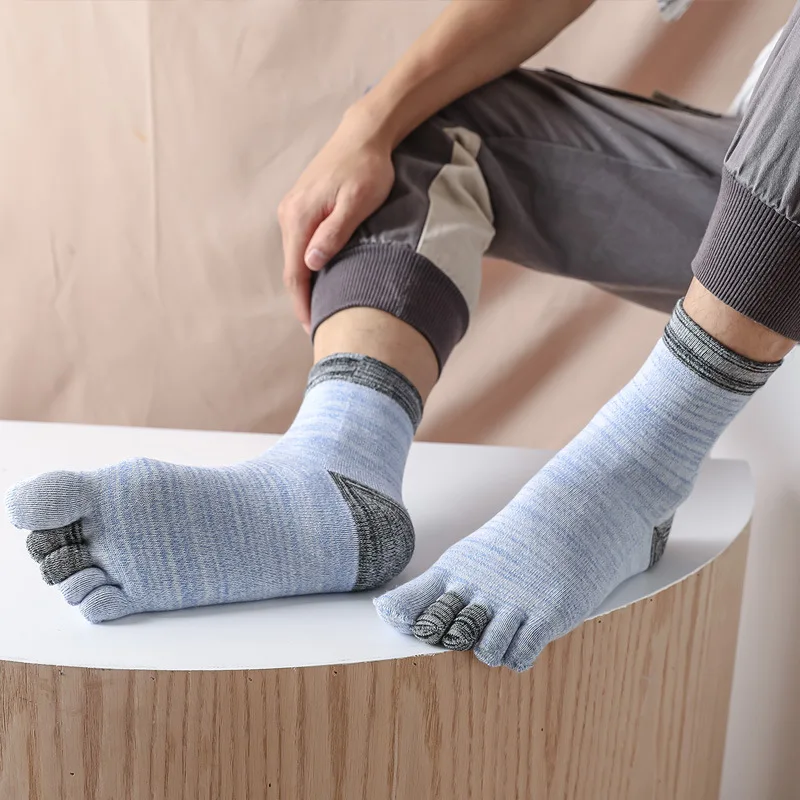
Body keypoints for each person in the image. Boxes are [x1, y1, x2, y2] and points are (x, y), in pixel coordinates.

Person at [5, 0, 798, 672]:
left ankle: (639, 464)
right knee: (415, 119)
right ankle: (336, 468)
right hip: (755, 175)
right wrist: (368, 122)